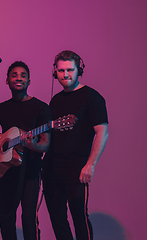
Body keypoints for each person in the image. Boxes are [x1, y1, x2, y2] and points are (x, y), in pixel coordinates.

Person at [0, 61, 51, 240]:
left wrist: (32, 145)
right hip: (5, 171)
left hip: (31, 171)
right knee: (5, 218)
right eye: (14, 75)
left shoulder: (41, 108)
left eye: (23, 75)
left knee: (29, 218)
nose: (19, 78)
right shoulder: (0, 109)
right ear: (7, 80)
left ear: (29, 81)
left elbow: (45, 143)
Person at [42, 50, 109, 240]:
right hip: (52, 167)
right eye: (61, 71)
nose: (65, 75)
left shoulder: (92, 97)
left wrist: (91, 164)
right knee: (57, 217)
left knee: (78, 215)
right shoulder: (55, 100)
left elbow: (102, 132)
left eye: (70, 70)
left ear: (79, 70)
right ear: (55, 72)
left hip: (77, 167)